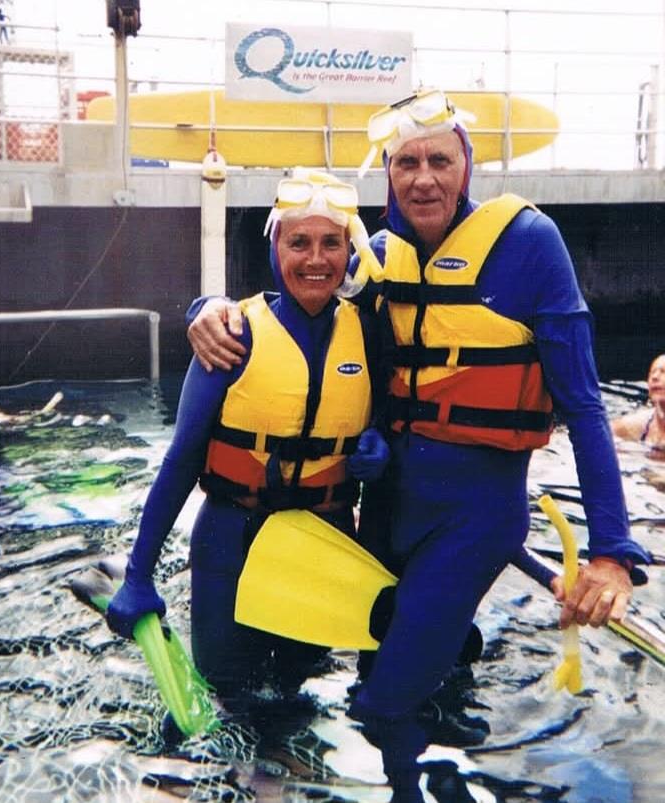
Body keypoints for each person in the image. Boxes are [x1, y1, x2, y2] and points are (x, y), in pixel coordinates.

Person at [185, 88, 650, 799]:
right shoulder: (373, 257)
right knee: (372, 672)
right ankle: (455, 657)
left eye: (440, 159)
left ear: (468, 166)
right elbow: (292, 308)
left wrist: (612, 554)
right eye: (406, 162)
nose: (424, 177)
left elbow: (586, 408)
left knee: (380, 706)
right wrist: (205, 308)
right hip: (387, 517)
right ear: (388, 174)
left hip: (472, 521)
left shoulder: (529, 245)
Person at [106, 171, 389, 732]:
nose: (315, 259)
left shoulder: (370, 330)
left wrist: (378, 442)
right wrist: (141, 574)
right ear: (274, 247)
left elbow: (376, 411)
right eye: (298, 243)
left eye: (331, 243)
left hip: (323, 540)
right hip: (231, 541)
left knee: (296, 697)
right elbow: (182, 459)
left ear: (349, 252)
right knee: (226, 699)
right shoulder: (232, 333)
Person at [611, 353, 665, 453]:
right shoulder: (636, 424)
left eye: (663, 372)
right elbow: (601, 437)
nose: (655, 377)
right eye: (652, 373)